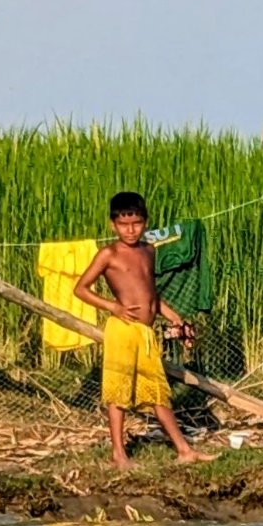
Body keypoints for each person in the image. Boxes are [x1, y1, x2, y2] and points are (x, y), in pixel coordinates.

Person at [73, 190, 199, 467]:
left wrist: (174, 318)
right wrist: (113, 307)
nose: (130, 230)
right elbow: (80, 289)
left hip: (145, 333)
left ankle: (184, 451)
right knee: (118, 391)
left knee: (156, 391)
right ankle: (119, 454)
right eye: (123, 224)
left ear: (146, 223)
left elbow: (150, 293)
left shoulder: (148, 250)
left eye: (136, 223)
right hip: (123, 329)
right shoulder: (108, 254)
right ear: (112, 225)